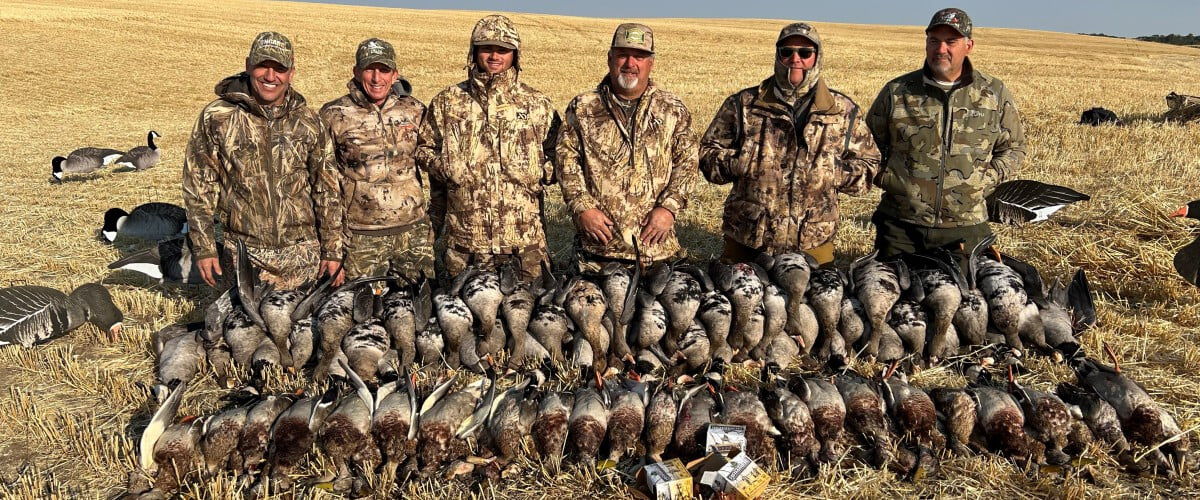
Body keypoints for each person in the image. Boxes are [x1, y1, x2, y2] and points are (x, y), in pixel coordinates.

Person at [699, 22, 880, 265]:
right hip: (747, 238)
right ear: (778, 56)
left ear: (817, 57)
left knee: (817, 289)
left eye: (805, 53)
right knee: (736, 288)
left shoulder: (842, 111)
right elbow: (706, 154)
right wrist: (739, 162)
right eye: (787, 52)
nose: (795, 59)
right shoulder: (744, 105)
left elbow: (870, 164)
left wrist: (833, 172)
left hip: (813, 240)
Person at [183, 31, 344, 288]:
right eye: (262, 66)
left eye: (279, 68)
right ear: (248, 65)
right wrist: (205, 248)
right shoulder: (217, 117)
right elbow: (199, 186)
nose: (270, 76)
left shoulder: (309, 121)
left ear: (291, 72)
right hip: (243, 255)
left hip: (303, 255)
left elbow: (327, 190)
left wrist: (332, 251)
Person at [867, 8, 1026, 258]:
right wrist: (889, 180)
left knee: (969, 284)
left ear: (968, 46)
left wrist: (984, 180)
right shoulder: (897, 91)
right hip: (901, 226)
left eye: (950, 41)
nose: (940, 49)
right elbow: (866, 147)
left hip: (966, 226)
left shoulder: (992, 93)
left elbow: (1014, 148)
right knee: (888, 282)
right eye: (934, 41)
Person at [415, 15, 559, 281]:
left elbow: (560, 155)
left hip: (525, 246)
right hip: (466, 246)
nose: (494, 56)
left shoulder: (536, 104)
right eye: (487, 48)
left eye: (503, 50)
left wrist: (537, 170)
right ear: (474, 52)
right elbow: (424, 148)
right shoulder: (448, 102)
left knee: (530, 307)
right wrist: (445, 167)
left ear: (515, 55)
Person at [557, 23, 698, 274]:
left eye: (639, 56)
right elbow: (565, 160)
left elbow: (687, 163)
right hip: (596, 253)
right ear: (610, 58)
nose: (630, 63)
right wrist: (583, 207)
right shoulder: (584, 107)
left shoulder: (672, 109)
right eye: (623, 55)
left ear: (651, 63)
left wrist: (669, 208)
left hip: (658, 253)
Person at [320, 38, 433, 281]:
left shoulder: (415, 110)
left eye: (383, 70)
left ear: (395, 75)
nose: (376, 78)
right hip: (361, 237)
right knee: (362, 303)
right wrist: (332, 247)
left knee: (418, 301)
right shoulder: (334, 115)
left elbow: (432, 163)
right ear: (356, 71)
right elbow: (325, 186)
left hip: (413, 234)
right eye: (369, 69)